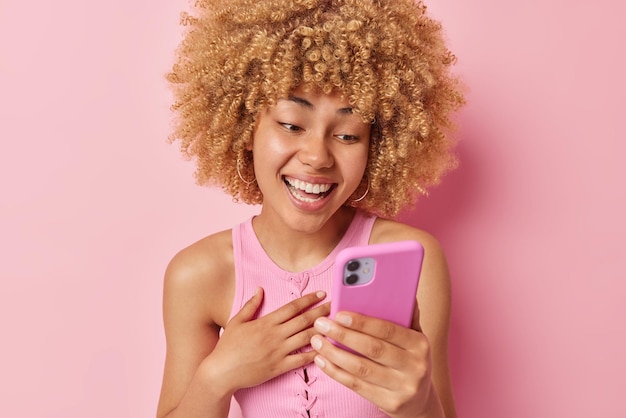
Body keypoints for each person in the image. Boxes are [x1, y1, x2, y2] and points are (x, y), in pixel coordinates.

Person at [156, 0, 464, 417]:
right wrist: (219, 375)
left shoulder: (412, 260)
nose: (317, 156)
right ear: (247, 128)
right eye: (291, 125)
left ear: (378, 147)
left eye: (349, 135)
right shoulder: (198, 274)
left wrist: (418, 402)